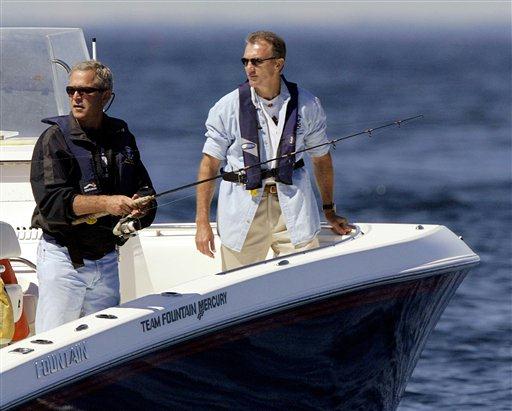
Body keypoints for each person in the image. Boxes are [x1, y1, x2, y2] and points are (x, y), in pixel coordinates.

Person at [195, 31, 352, 271]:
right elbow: (209, 165)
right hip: (242, 211)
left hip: (293, 209)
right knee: (240, 285)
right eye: (245, 61)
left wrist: (329, 210)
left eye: (257, 61)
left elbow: (321, 159)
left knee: (303, 282)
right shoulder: (226, 107)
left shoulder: (307, 105)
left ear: (278, 64)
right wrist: (202, 222)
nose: (249, 68)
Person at [30, 61, 156, 333]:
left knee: (105, 341)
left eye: (85, 91)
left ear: (105, 95)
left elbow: (145, 189)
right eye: (71, 90)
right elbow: (53, 204)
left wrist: (143, 208)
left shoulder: (121, 135)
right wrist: (108, 203)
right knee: (55, 345)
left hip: (107, 259)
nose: (76, 96)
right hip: (64, 261)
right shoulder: (53, 140)